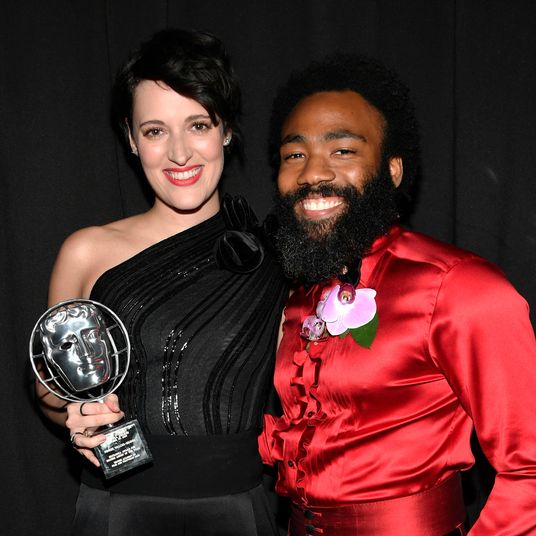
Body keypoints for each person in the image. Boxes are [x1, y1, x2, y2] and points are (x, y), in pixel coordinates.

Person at [258, 53, 536, 535]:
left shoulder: (459, 287)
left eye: (342, 150)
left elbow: (529, 468)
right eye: (294, 155)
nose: (311, 174)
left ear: (392, 171)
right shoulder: (301, 294)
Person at [35, 28, 288, 535]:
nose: (179, 153)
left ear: (226, 130)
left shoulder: (277, 259)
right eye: (155, 131)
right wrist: (78, 419)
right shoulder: (86, 251)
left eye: (198, 124)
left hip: (237, 513)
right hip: (118, 512)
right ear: (131, 139)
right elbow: (51, 392)